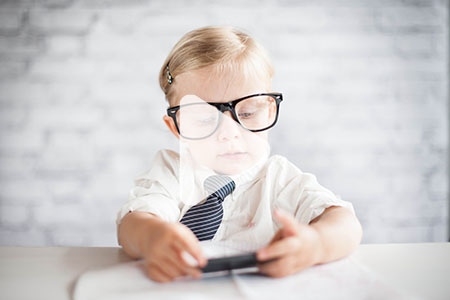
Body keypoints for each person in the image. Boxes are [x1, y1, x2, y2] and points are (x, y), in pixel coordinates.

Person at [116, 26, 363, 283]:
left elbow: (345, 223)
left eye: (246, 113)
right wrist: (152, 237)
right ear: (177, 127)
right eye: (204, 119)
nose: (229, 133)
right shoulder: (172, 172)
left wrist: (315, 244)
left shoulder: (280, 178)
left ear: (268, 111)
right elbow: (132, 225)